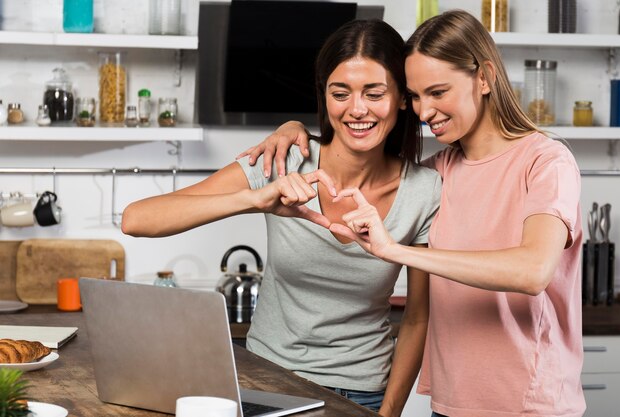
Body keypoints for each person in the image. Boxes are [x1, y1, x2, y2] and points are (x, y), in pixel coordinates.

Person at [238, 9, 585, 417]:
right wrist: (292, 128)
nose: (422, 111)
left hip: (528, 405)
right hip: (451, 403)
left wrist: (394, 251)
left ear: (485, 77)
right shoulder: (439, 172)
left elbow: (532, 272)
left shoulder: (545, 161)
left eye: (438, 92)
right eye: (416, 97)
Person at [122, 19, 441, 416]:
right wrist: (254, 199)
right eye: (340, 93)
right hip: (267, 381)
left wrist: (389, 412)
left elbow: (417, 317)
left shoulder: (424, 190)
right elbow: (137, 220)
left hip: (362, 394)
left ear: (401, 98)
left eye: (374, 93)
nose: (357, 109)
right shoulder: (284, 159)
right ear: (324, 97)